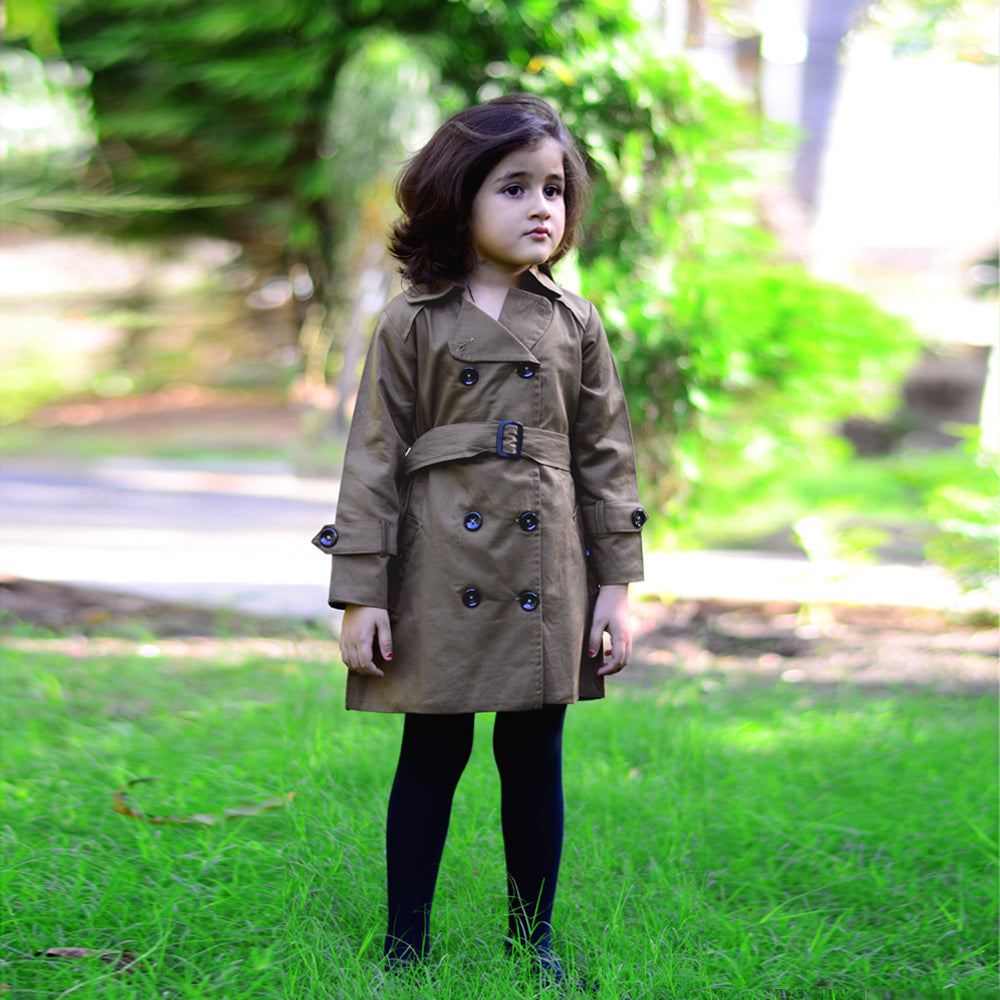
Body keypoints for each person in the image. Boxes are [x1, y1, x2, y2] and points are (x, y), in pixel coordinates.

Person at [312, 93, 646, 985]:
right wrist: (361, 592)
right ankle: (404, 945)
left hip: (548, 568)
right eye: (514, 187)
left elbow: (608, 459)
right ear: (458, 198)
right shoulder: (412, 320)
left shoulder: (574, 322)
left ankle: (532, 941)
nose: (543, 207)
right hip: (438, 566)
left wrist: (616, 589)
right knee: (432, 753)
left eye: (555, 189)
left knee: (534, 758)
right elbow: (372, 459)